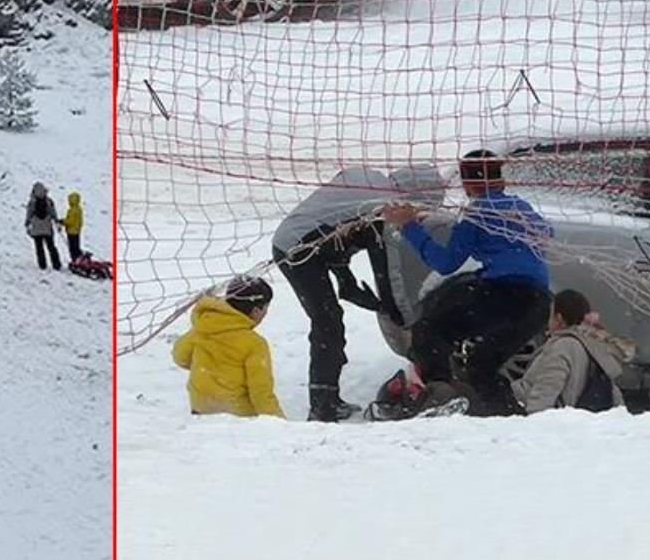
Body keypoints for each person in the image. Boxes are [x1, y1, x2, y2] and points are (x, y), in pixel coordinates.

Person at [382, 151, 553, 416]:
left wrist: (409, 227)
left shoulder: (478, 213)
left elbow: (446, 263)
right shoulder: (523, 208)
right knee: (481, 364)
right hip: (539, 303)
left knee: (429, 331)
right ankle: (510, 418)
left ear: (468, 184)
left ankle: (441, 396)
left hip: (507, 296)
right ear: (502, 181)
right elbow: (544, 233)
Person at [271, 164, 439, 422]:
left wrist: (345, 279)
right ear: (413, 194)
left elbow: (334, 225)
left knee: (329, 320)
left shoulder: (368, 181)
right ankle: (322, 407)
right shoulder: (381, 208)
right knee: (327, 323)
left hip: (296, 240)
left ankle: (327, 398)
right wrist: (392, 309)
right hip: (298, 250)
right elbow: (383, 265)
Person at [172, 276, 284, 418]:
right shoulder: (254, 344)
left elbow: (180, 357)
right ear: (256, 311)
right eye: (265, 309)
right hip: (238, 418)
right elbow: (260, 392)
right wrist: (279, 423)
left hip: (201, 410)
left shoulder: (203, 328)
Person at [511, 289, 631, 413]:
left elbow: (547, 388)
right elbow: (613, 395)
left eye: (550, 314)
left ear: (559, 318)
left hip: (549, 419)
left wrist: (533, 420)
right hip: (580, 420)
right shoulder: (595, 348)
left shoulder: (563, 346)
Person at [25, 182, 61, 271]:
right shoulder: (49, 201)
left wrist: (27, 223)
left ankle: (42, 265)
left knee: (39, 247)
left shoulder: (32, 202)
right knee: (51, 246)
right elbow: (53, 213)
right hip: (47, 227)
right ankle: (56, 264)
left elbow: (29, 214)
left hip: (36, 229)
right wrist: (56, 221)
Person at [62, 191, 84, 260]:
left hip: (71, 231)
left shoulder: (72, 210)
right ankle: (79, 259)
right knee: (76, 246)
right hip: (77, 231)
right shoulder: (79, 209)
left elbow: (70, 221)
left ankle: (75, 260)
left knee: (72, 248)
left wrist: (63, 221)